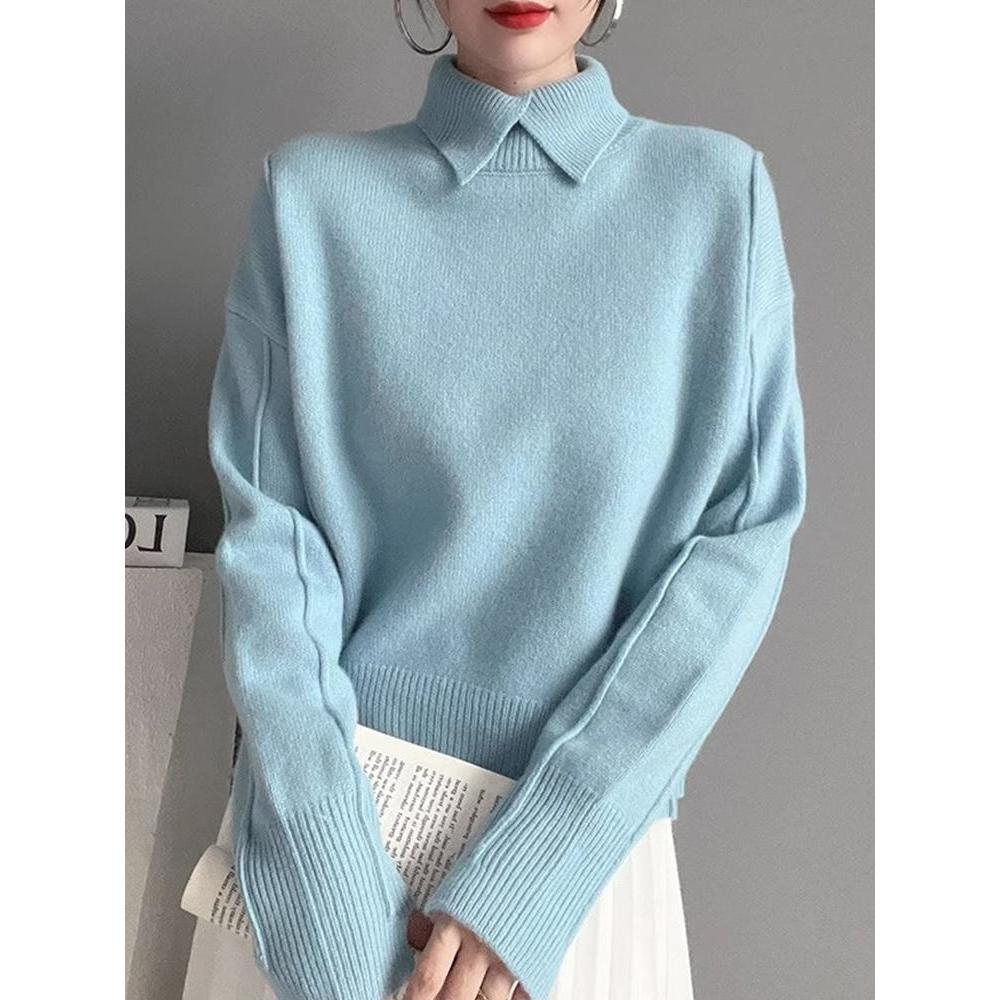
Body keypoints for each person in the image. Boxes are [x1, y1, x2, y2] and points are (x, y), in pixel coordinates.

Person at [206, 2, 808, 999]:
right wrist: (326, 879)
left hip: (575, 882)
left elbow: (741, 544)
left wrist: (539, 867)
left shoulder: (714, 198)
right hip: (325, 868)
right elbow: (272, 546)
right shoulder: (310, 198)